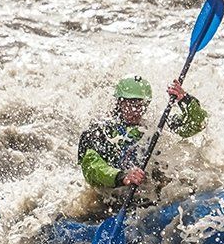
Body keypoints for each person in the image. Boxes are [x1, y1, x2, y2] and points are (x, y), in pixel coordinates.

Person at [76, 75, 206, 199]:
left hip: (147, 195)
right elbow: (92, 168)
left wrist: (185, 99)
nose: (136, 110)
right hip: (111, 196)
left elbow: (197, 124)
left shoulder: (155, 126)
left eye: (141, 105)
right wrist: (122, 177)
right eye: (131, 104)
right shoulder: (98, 132)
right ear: (119, 102)